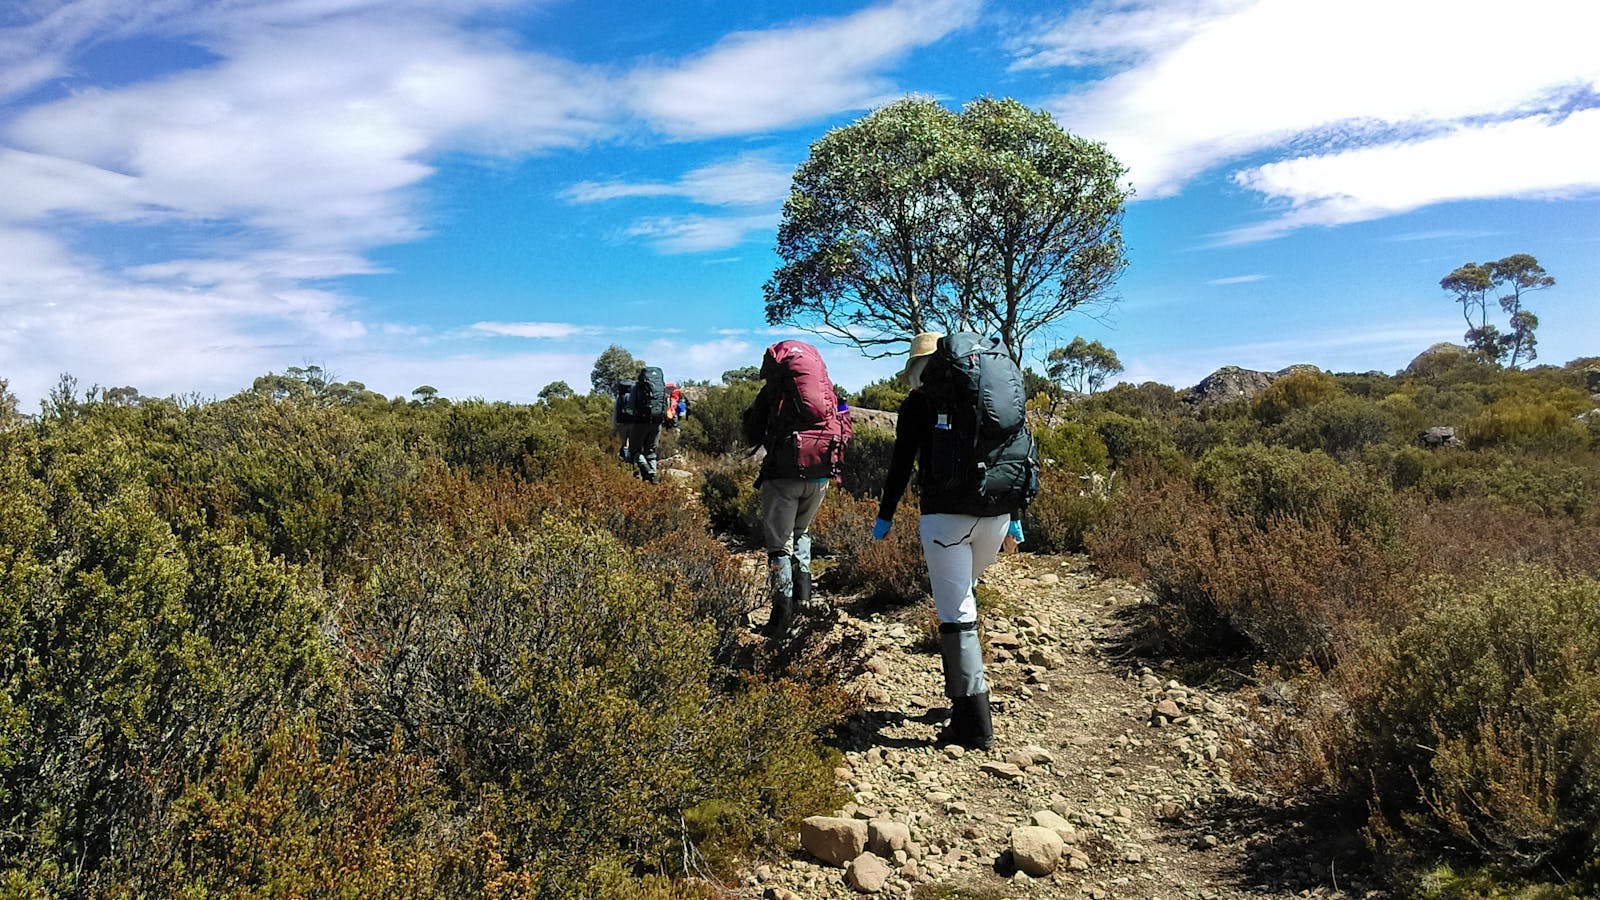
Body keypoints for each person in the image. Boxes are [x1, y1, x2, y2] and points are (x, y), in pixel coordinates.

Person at [871, 331, 1035, 751]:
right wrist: (1014, 518)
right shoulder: (987, 395)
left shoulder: (919, 402)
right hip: (996, 516)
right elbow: (1008, 454)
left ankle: (973, 723)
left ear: (918, 368)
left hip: (945, 520)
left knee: (956, 614)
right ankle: (964, 698)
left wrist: (885, 516)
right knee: (965, 598)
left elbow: (902, 464)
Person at [742, 340, 851, 640]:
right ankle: (804, 604)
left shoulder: (773, 392)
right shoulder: (828, 390)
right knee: (801, 533)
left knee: (779, 547)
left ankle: (781, 618)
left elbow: (752, 431)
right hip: (820, 474)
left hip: (784, 475)